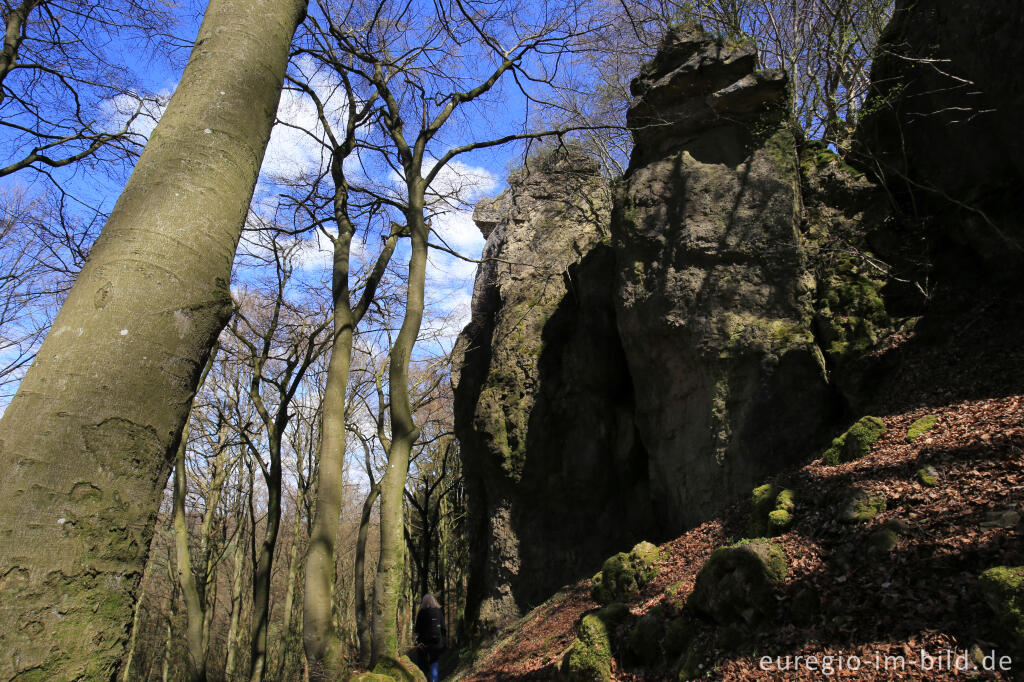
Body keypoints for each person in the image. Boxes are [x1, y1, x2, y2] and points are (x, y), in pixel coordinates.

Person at [414, 593, 446, 682]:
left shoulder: (422, 612)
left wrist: (415, 640)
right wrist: (443, 641)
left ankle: (423, 678)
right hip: (436, 642)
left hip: (423, 643)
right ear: (434, 601)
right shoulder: (439, 612)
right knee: (434, 661)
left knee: (421, 662)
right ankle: (434, 679)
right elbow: (443, 628)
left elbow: (417, 629)